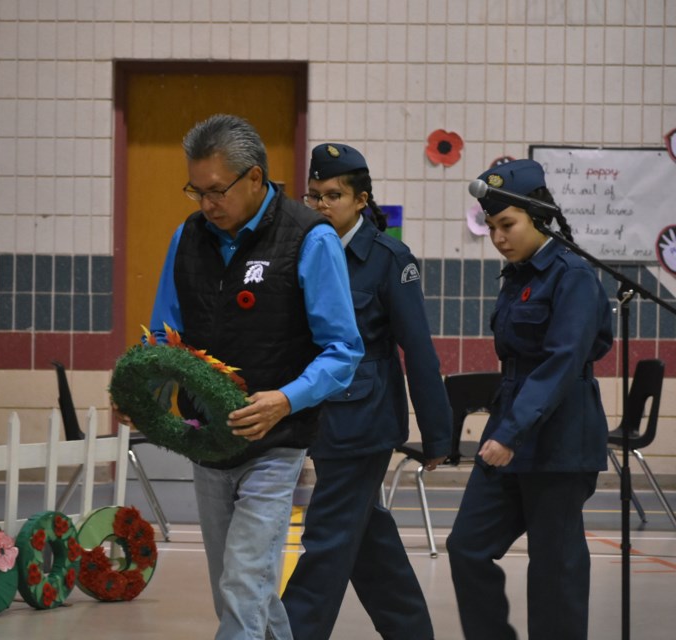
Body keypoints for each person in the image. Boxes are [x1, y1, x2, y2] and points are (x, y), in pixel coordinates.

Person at [135, 114, 364, 640]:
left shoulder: (310, 239)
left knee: (243, 584)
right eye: (197, 191)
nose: (206, 204)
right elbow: (166, 339)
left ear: (255, 178)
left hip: (276, 442)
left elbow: (343, 350)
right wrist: (144, 389)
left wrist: (285, 400)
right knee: (239, 587)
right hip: (208, 441)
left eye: (217, 190)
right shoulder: (187, 238)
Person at [281, 143, 452, 640]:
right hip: (316, 413)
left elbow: (418, 351)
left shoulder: (389, 260)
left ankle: (288, 633)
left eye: (333, 195)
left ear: (361, 200)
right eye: (313, 196)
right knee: (367, 538)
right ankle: (412, 631)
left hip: (363, 421)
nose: (320, 205)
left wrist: (438, 434)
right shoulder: (305, 250)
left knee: (328, 538)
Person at [446, 158, 613, 639]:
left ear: (539, 217)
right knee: (467, 547)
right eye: (491, 226)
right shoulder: (517, 275)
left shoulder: (572, 275)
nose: (498, 237)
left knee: (553, 568)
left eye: (507, 225)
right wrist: (507, 429)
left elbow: (562, 363)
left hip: (559, 436)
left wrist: (513, 432)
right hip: (511, 427)